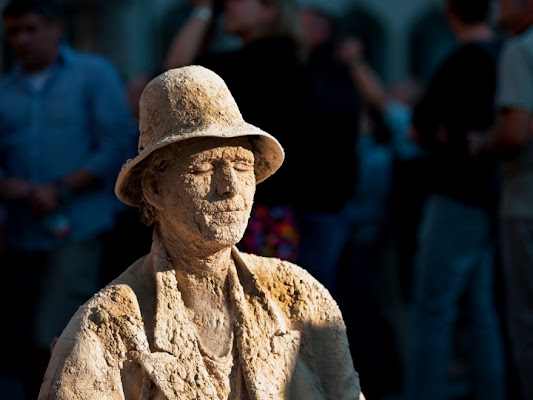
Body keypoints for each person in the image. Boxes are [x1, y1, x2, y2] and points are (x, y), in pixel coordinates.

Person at [37, 65, 365, 400]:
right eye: (203, 168)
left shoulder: (300, 297)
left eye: (242, 166)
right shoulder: (108, 324)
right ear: (154, 187)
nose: (229, 187)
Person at [0, 0, 135, 398]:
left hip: (79, 224)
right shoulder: (6, 90)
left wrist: (60, 188)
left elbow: (116, 144)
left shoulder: (92, 75)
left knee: (58, 329)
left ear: (55, 27)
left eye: (29, 28)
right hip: (22, 232)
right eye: (13, 32)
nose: (21, 40)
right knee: (21, 330)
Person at [405, 0, 506, 399]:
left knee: (433, 307)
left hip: (456, 196)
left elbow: (419, 128)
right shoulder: (503, 54)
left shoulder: (463, 60)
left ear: (450, 11)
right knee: (480, 309)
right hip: (487, 195)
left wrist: (440, 131)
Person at [163, 0, 313, 263]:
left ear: (270, 9)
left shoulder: (262, 63)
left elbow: (176, 78)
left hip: (254, 212)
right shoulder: (283, 59)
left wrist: (203, 10)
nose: (228, 5)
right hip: (269, 210)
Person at [468, 0, 533, 398]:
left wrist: (481, 144)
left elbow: (514, 133)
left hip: (526, 204)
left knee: (527, 321)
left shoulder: (520, 49)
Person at [294, 3, 362, 298]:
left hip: (323, 198)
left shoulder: (330, 73)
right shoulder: (304, 67)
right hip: (310, 197)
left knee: (315, 289)